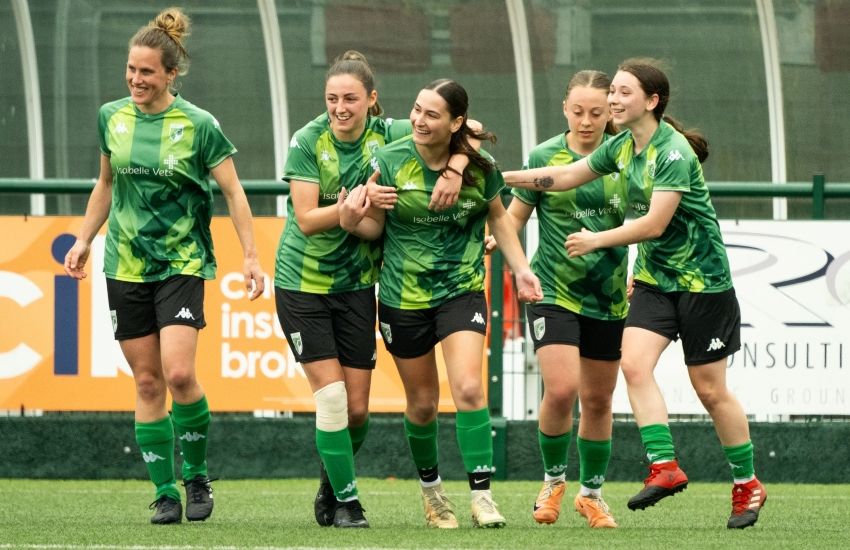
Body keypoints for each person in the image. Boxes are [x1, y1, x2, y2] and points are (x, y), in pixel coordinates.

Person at [503, 58, 767, 529]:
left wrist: (596, 240)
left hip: (702, 284)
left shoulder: (673, 152)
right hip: (651, 282)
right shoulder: (622, 147)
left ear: (652, 101)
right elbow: (563, 176)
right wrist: (496, 179)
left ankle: (746, 482)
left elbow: (654, 223)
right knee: (633, 365)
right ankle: (664, 466)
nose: (612, 100)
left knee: (710, 390)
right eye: (613, 92)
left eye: (623, 92)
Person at [63, 7, 265, 525]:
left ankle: (196, 475)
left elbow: (234, 191)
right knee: (148, 383)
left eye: (147, 71)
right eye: (131, 70)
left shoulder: (199, 125)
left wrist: (250, 255)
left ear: (171, 74)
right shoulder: (112, 117)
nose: (136, 79)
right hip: (125, 264)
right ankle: (165, 491)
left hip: (182, 262)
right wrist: (85, 239)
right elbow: (105, 184)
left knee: (178, 373)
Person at [273, 51, 472, 529]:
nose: (340, 108)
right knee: (334, 399)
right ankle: (347, 501)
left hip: (359, 286)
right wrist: (348, 212)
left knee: (358, 411)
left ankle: (330, 483)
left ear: (372, 100)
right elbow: (304, 219)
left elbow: (468, 129)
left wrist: (458, 165)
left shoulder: (395, 132)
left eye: (350, 99)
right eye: (332, 99)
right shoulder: (307, 140)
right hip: (302, 284)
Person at [340, 78, 543, 529]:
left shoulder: (480, 167)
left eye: (432, 115)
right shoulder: (390, 159)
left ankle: (483, 496)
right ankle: (433, 495)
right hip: (401, 298)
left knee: (469, 389)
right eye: (416, 110)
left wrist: (521, 268)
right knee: (423, 405)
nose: (419, 120)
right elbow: (373, 227)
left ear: (455, 124)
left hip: (461, 289)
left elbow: (498, 218)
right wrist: (353, 219)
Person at [486, 70, 626, 528]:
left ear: (612, 112)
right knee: (562, 389)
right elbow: (518, 213)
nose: (587, 121)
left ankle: (592, 495)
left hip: (608, 295)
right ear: (565, 109)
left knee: (600, 399)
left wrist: (638, 272)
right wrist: (500, 238)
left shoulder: (627, 156)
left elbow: (650, 217)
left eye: (597, 113)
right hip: (554, 291)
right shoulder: (545, 156)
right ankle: (552, 481)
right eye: (579, 111)